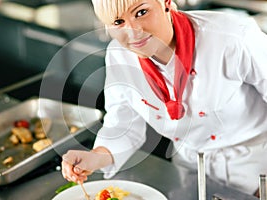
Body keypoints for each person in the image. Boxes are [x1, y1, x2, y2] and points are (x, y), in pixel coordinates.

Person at [61, 0, 267, 196]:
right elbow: (122, 124)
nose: (133, 31)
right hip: (190, 171)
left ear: (166, 3)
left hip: (256, 168)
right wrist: (96, 157)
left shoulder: (232, 36)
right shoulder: (119, 56)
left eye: (141, 12)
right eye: (118, 22)